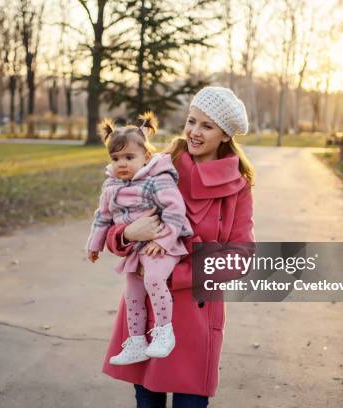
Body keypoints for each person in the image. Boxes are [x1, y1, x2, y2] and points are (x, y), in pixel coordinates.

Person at [101, 86, 256, 407]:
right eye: (191, 121)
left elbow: (241, 257)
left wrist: (177, 275)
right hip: (147, 316)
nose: (194, 132)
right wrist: (128, 233)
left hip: (196, 317)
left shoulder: (237, 187)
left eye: (207, 126)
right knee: (148, 402)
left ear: (225, 135)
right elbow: (111, 226)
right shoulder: (155, 166)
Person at [86, 112, 193, 365]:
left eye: (128, 157)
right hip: (135, 250)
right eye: (116, 158)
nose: (121, 163)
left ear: (146, 156)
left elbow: (176, 211)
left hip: (162, 247)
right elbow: (103, 217)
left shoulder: (157, 179)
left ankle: (164, 332)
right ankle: (136, 341)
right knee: (133, 294)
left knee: (155, 279)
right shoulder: (111, 187)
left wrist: (163, 241)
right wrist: (95, 244)